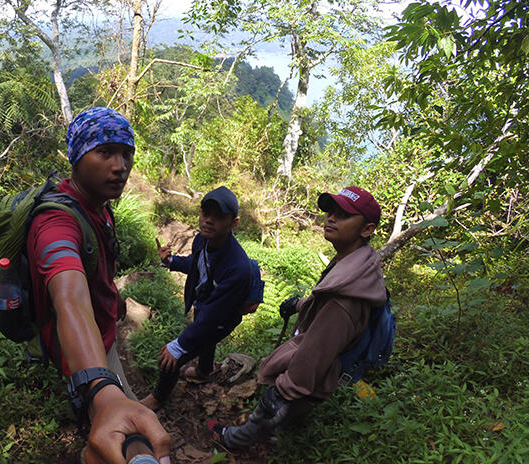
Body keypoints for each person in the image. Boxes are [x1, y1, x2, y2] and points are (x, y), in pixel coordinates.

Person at [27, 107, 170, 464]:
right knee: (131, 435)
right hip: (86, 345)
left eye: (127, 153)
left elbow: (95, 271)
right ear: (77, 157)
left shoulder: (97, 204)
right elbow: (70, 298)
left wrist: (114, 299)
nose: (120, 165)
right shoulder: (56, 223)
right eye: (105, 152)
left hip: (101, 328)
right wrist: (104, 392)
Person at [207, 186, 388, 449]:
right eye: (331, 212)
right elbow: (323, 308)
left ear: (367, 229)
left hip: (312, 374)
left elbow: (318, 350)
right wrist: (301, 305)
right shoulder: (354, 262)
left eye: (344, 215)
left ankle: (233, 440)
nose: (331, 218)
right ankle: (276, 435)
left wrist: (283, 391)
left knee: (272, 410)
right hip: (317, 368)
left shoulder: (345, 298)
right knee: (284, 417)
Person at [139, 186, 257, 411]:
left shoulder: (237, 268)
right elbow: (196, 265)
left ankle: (158, 398)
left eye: (219, 216)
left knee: (174, 357)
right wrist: (171, 261)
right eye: (205, 213)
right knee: (205, 338)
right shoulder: (203, 241)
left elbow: (213, 318)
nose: (208, 221)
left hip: (221, 317)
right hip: (206, 304)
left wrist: (179, 345)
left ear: (234, 222)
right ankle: (203, 372)